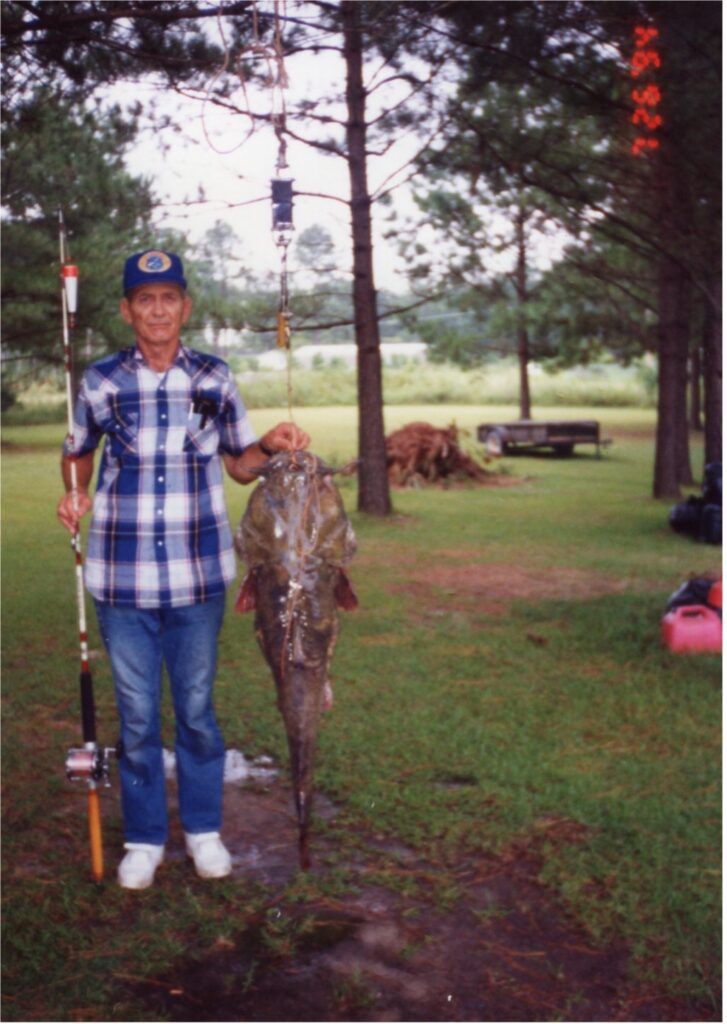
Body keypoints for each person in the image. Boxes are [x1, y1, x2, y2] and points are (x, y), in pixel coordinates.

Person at [57, 249, 309, 890]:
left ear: (185, 307)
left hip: (198, 577)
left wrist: (270, 445)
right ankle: (143, 839)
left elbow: (240, 464)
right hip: (121, 579)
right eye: (145, 299)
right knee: (138, 717)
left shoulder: (214, 377)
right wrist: (74, 491)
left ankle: (203, 831)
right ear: (127, 310)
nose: (158, 310)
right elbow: (78, 452)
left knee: (196, 711)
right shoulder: (102, 380)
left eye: (169, 298)